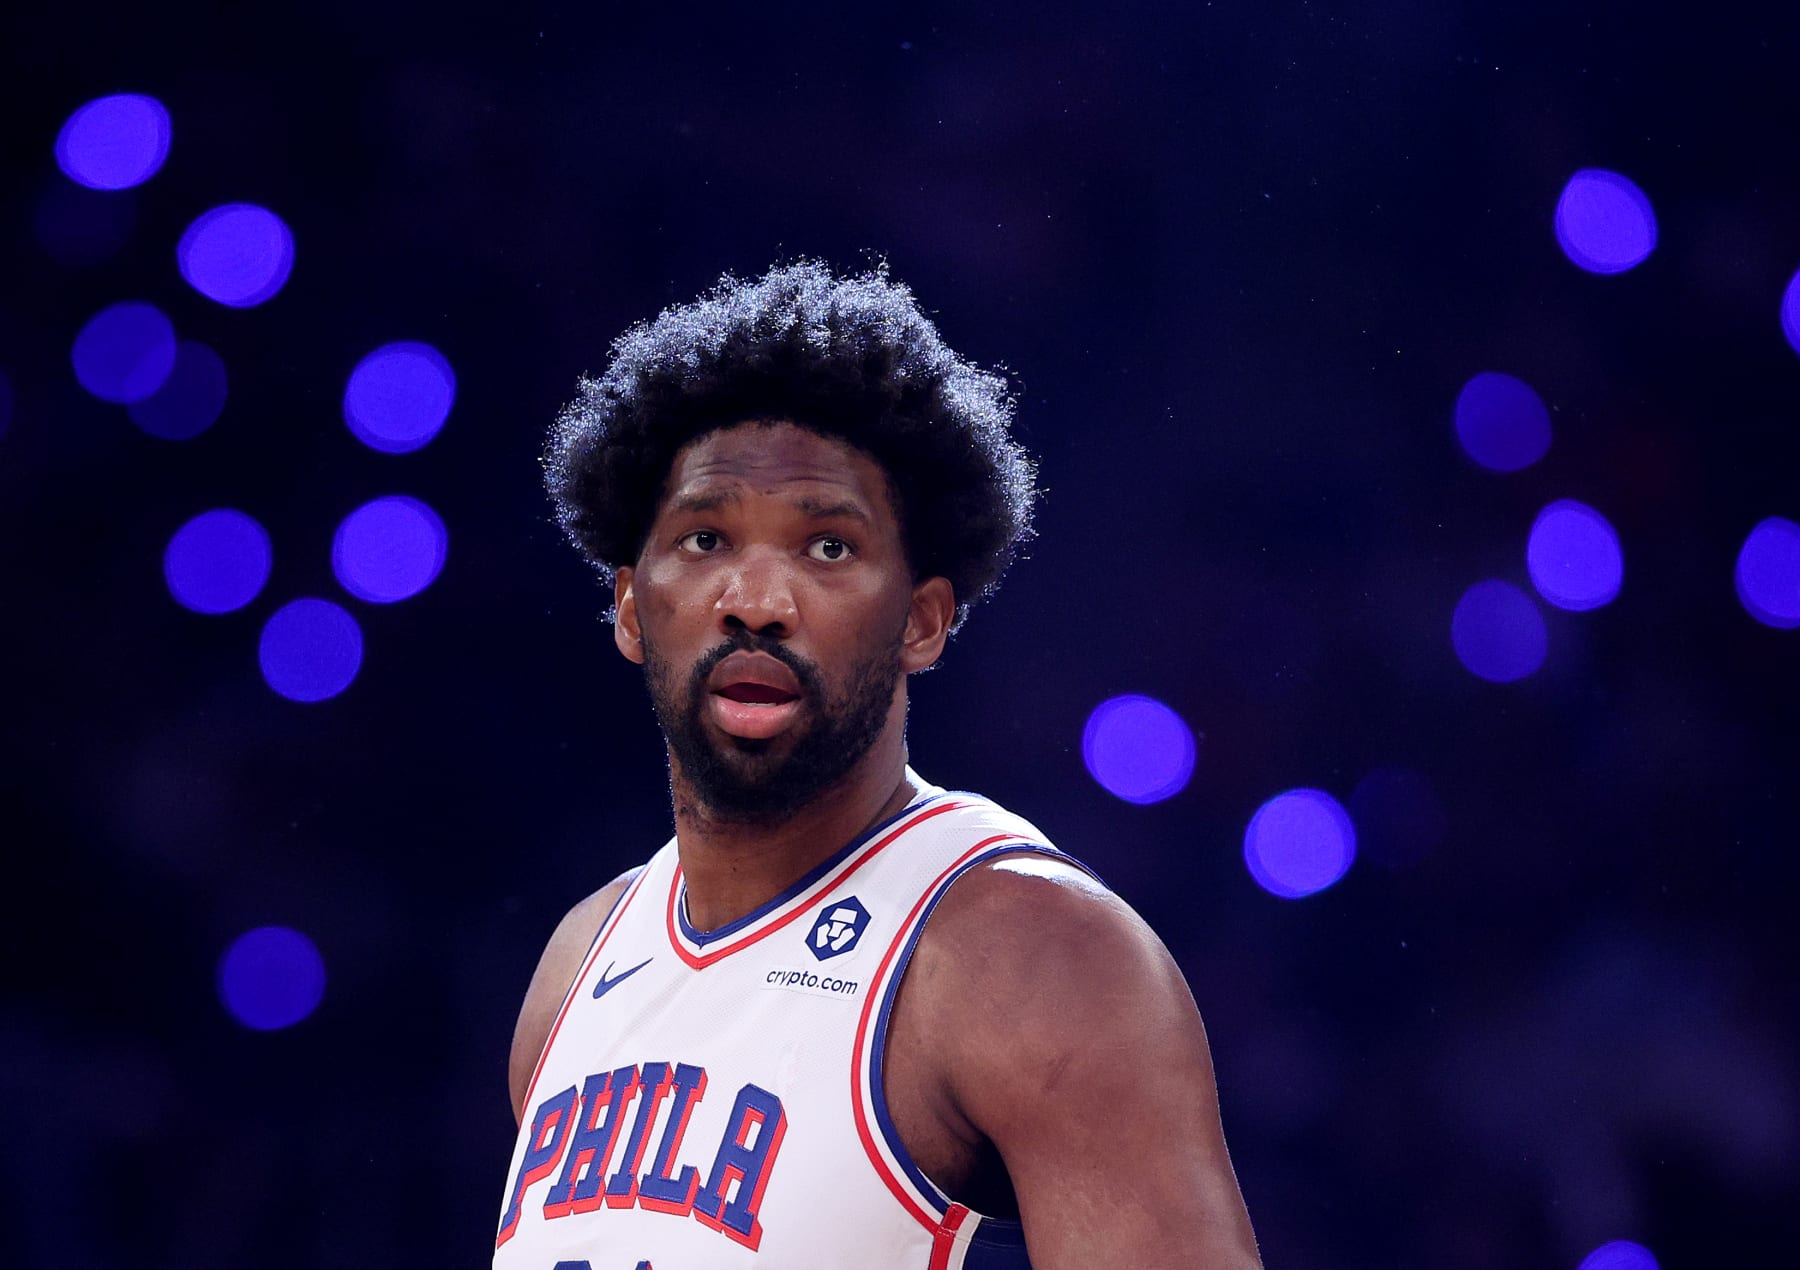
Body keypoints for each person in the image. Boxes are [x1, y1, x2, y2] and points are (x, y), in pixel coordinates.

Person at [496, 261, 1261, 1269]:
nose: (756, 598)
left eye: (826, 547)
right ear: (634, 609)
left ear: (924, 621)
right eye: (706, 536)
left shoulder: (1035, 952)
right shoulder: (581, 958)